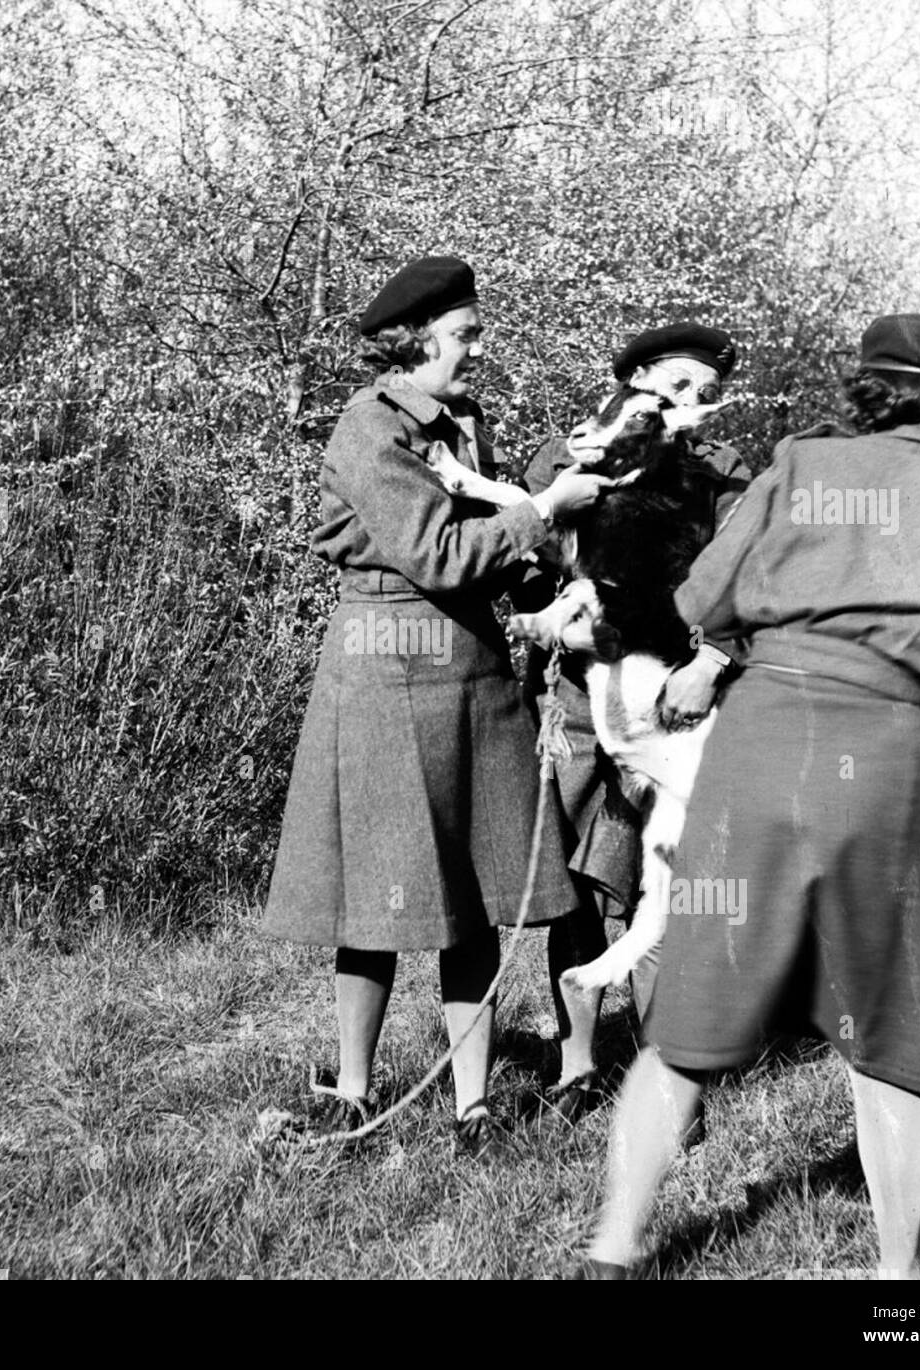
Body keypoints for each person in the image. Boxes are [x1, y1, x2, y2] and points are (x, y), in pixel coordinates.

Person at [573, 313, 920, 1278]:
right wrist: (919, 744)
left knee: (690, 1016)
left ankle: (613, 1253)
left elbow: (703, 597)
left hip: (763, 741)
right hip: (886, 761)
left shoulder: (800, 465)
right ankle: (900, 1282)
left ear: (872, 393)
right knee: (887, 1037)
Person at [261, 255, 613, 1159]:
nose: (478, 351)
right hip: (382, 677)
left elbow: (481, 556)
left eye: (477, 333)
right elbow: (441, 554)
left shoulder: (459, 423)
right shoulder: (367, 427)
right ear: (414, 343)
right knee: (369, 906)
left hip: (471, 674)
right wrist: (537, 509)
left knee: (470, 893)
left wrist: (546, 571)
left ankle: (473, 1105)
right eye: (465, 336)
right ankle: (351, 1089)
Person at [520, 323, 751, 1124]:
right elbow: (526, 562)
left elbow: (756, 576)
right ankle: (576, 1064)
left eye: (707, 395)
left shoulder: (721, 475)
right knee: (576, 884)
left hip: (675, 703)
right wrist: (558, 620)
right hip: (582, 701)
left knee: (669, 882)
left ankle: (666, 1073)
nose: (693, 405)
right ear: (640, 382)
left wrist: (713, 660)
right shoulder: (564, 457)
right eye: (679, 387)